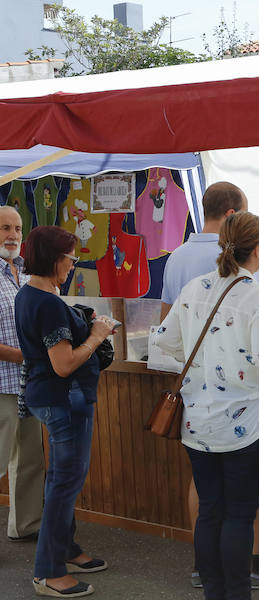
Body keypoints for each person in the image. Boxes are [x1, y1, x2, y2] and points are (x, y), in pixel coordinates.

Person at [160, 181, 259, 589]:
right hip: (246, 425)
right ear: (256, 250)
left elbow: (163, 343)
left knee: (210, 512)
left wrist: (203, 362)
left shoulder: (194, 287)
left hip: (198, 421)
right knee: (238, 515)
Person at [15, 226, 116, 598]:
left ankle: (67, 550)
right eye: (71, 258)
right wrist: (97, 335)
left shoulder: (31, 294)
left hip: (52, 399)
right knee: (64, 484)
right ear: (55, 258)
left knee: (60, 478)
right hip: (64, 400)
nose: (73, 265)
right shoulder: (46, 303)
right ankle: (49, 571)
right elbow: (64, 363)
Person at [0, 207, 44, 545]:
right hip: (1, 384)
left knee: (30, 460)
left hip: (28, 384)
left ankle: (25, 525)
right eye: (4, 228)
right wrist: (21, 355)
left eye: (16, 228)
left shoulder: (26, 273)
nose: (12, 235)